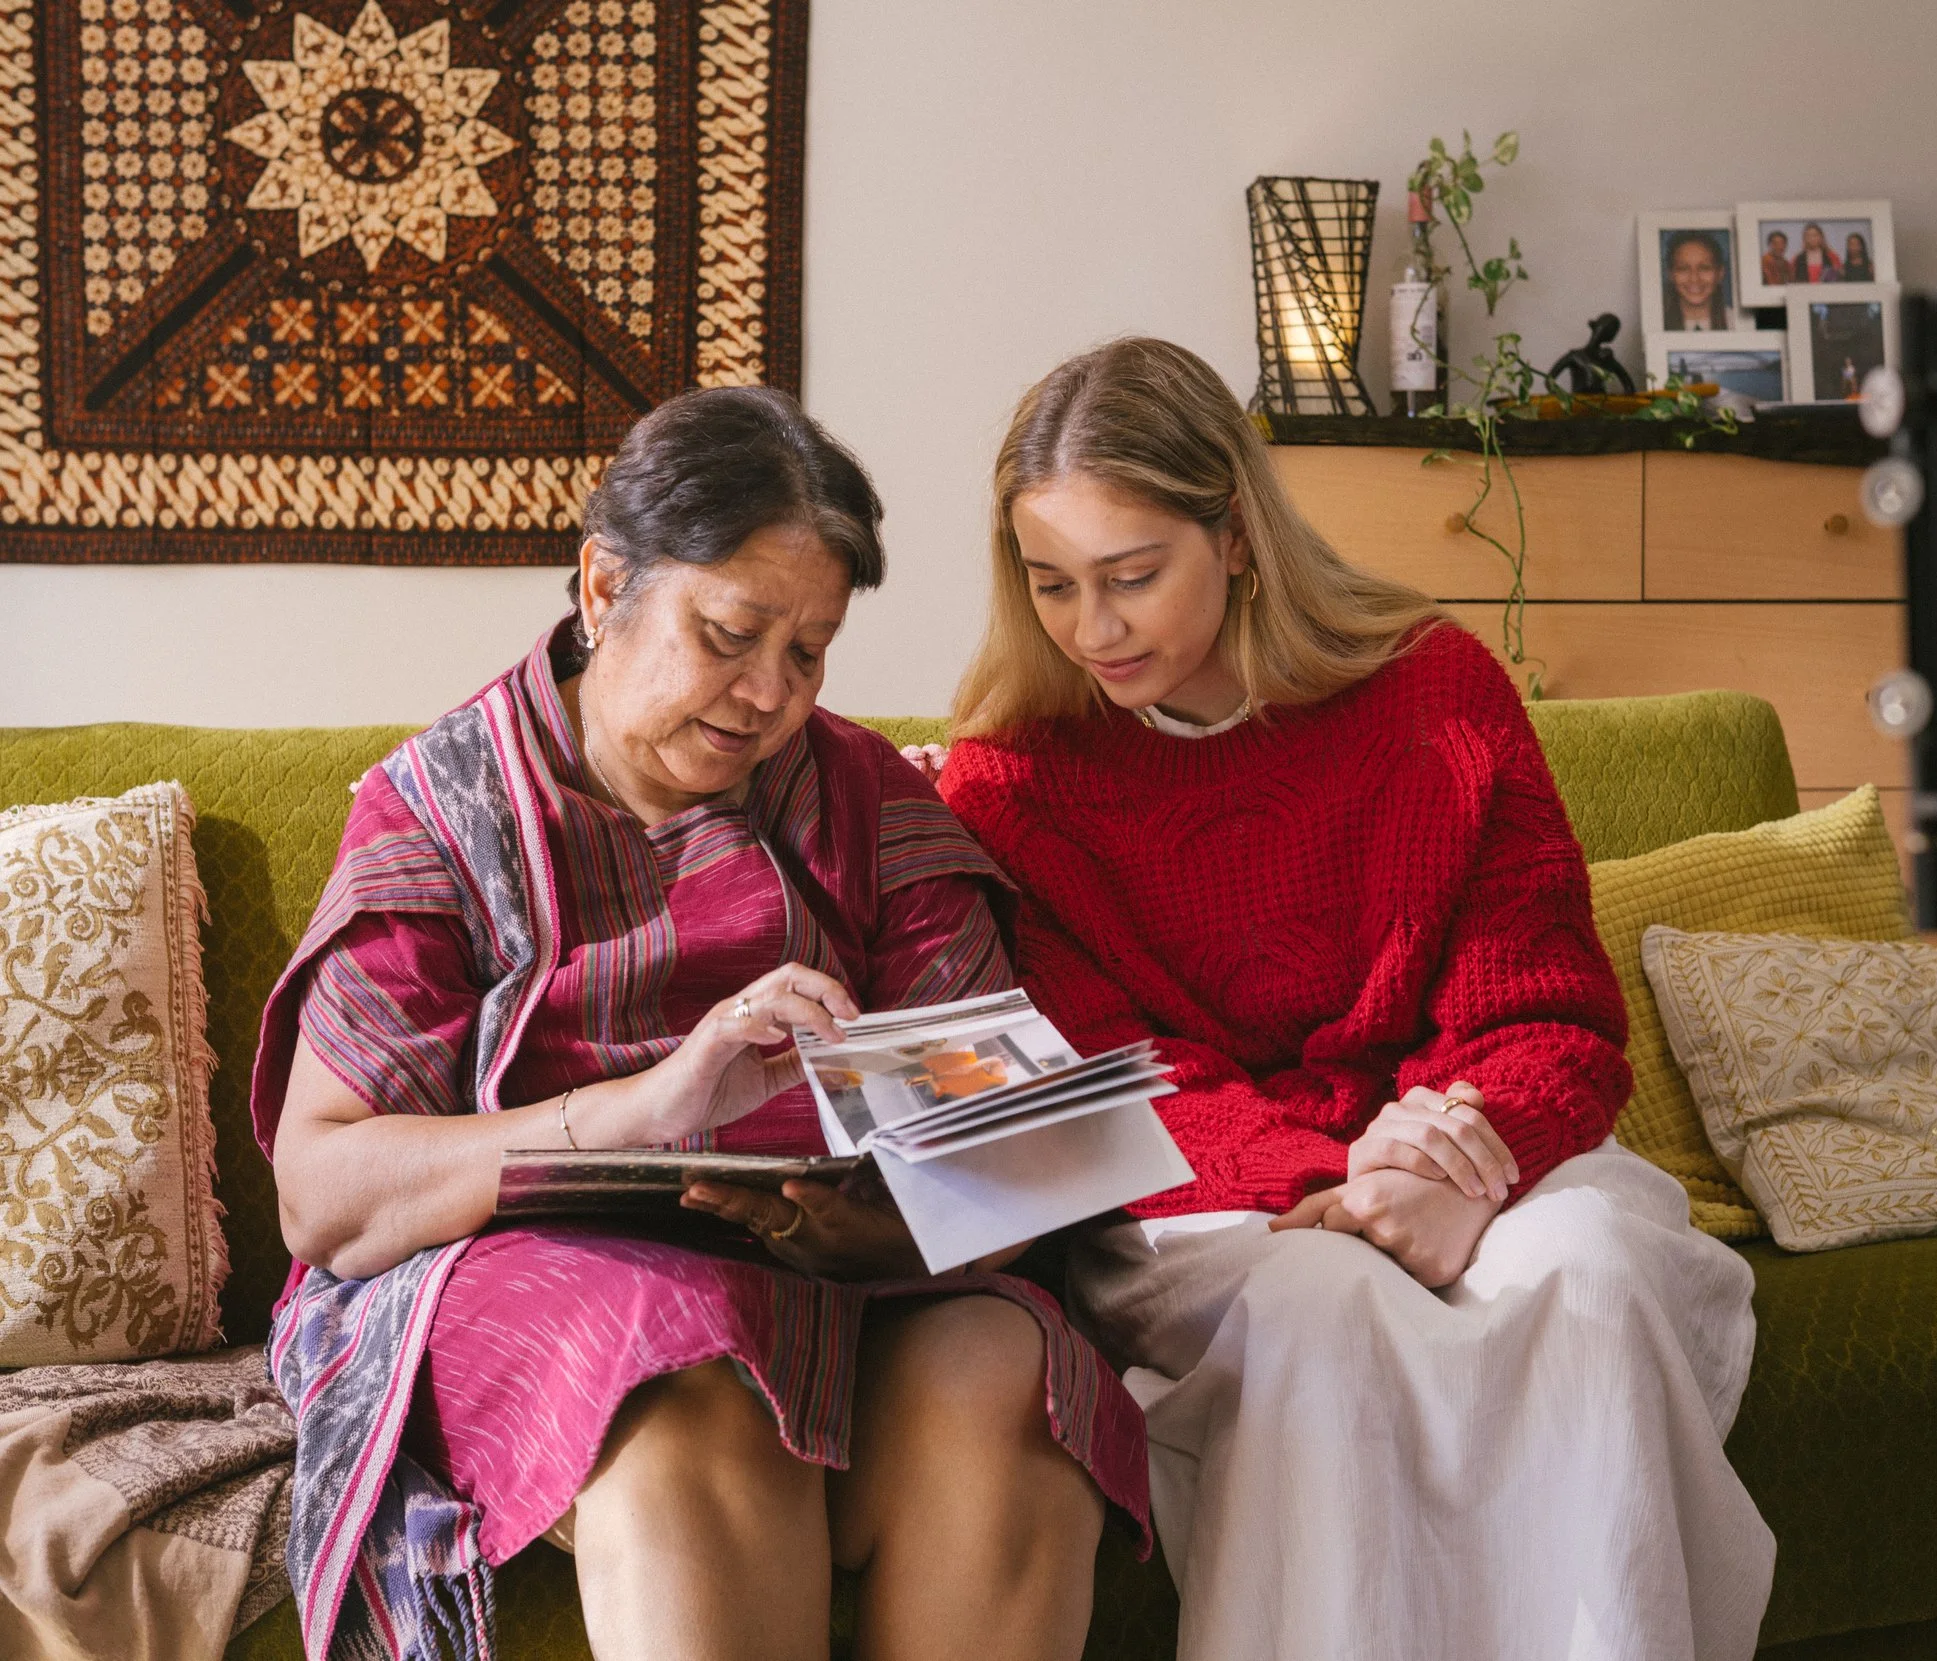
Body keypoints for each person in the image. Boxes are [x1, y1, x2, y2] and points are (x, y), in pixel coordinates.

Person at [256, 386, 1145, 1661]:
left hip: (841, 1286)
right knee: (701, 1368)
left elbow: (1005, 1138)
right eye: (730, 633)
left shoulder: (863, 804)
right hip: (553, 1289)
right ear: (604, 586)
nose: (767, 693)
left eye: (809, 650)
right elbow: (323, 1189)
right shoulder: (444, 811)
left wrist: (879, 1213)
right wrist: (654, 1106)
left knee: (1008, 1369)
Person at [932, 338, 1773, 1661]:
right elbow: (1107, 1078)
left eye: (1133, 577)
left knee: (1594, 1273)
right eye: (1053, 586)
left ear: (1240, 537)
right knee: (1321, 1304)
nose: (1092, 629)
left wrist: (1451, 1163)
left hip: (1472, 1145)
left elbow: (1547, 1010)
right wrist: (1350, 1178)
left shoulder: (1435, 694)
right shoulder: (1006, 786)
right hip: (1209, 1195)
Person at [1665, 229, 1731, 330]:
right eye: (1683, 268)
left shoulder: (1738, 323)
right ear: (1670, 274)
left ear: (1720, 273)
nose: (1694, 278)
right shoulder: (1656, 322)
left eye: (1704, 268)